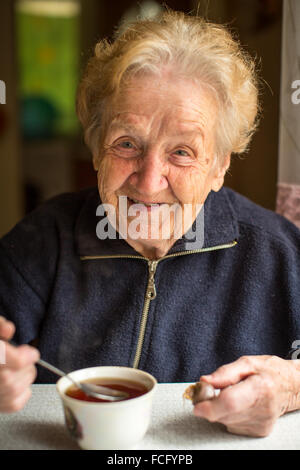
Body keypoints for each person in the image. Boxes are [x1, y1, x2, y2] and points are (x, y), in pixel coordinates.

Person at [0, 10, 300, 438]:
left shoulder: (280, 253)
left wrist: (291, 386)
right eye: (127, 144)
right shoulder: (43, 240)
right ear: (96, 148)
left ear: (219, 167)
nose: (148, 180)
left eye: (182, 152)